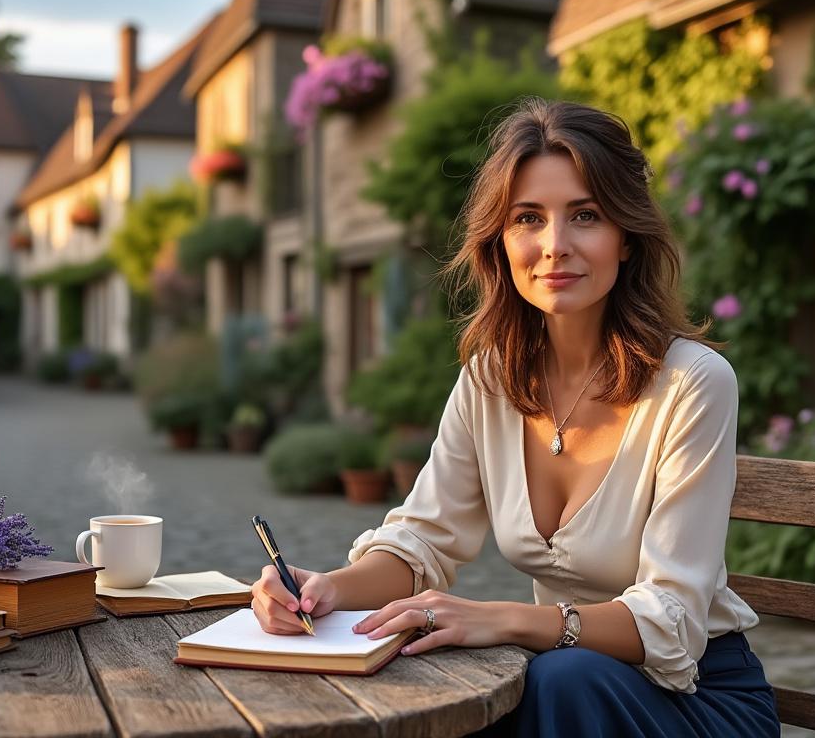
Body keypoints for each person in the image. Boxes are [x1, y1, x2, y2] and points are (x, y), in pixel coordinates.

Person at [250, 97, 779, 737]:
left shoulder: (692, 383)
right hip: (566, 690)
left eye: (586, 216)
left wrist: (501, 619)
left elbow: (672, 616)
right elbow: (423, 539)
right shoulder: (491, 379)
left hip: (696, 700)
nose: (555, 246)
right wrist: (328, 589)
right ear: (501, 243)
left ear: (627, 238)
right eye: (529, 218)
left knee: (547, 681)